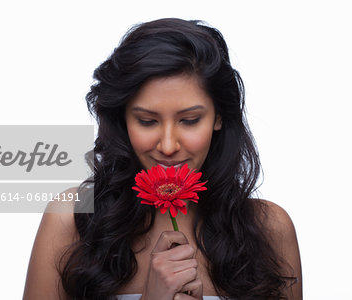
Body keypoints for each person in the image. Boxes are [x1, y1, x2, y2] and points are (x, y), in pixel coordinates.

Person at [23, 18, 302, 300]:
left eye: (190, 120)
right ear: (123, 119)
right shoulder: (73, 219)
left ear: (218, 117)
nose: (168, 146)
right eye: (147, 121)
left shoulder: (270, 229)